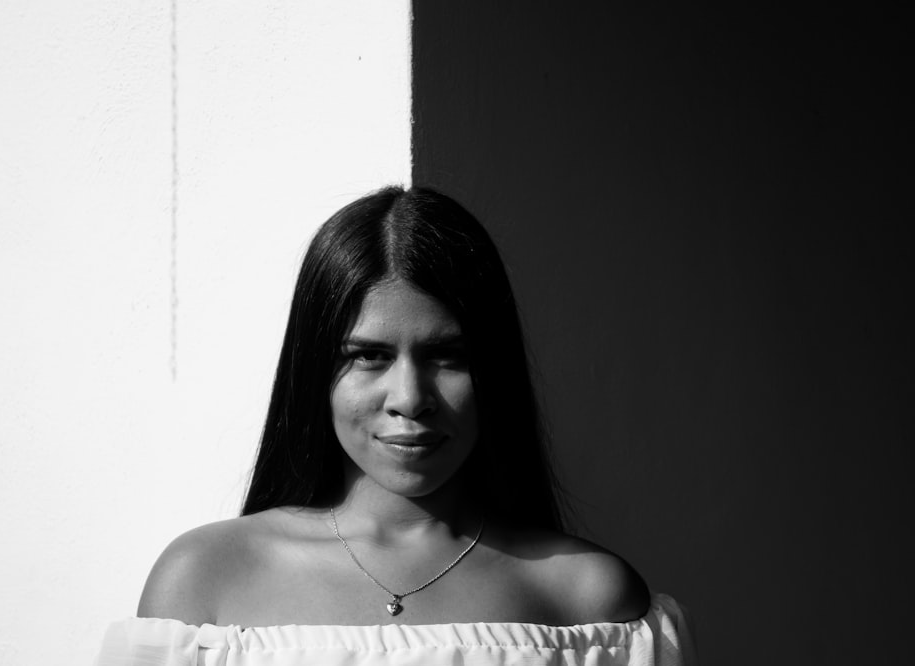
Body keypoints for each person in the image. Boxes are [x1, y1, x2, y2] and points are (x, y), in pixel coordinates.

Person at [94, 187, 697, 665]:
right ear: (313, 371)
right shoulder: (203, 582)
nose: (410, 397)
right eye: (368, 356)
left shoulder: (591, 603)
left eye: (448, 356)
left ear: (496, 371)